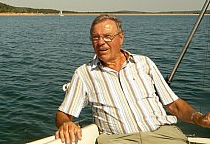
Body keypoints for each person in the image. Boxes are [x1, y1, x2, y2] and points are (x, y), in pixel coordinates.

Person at [55, 14, 210, 144]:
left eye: (108, 37)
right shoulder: (84, 73)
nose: (101, 42)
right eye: (95, 37)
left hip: (163, 135)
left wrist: (198, 118)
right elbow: (63, 113)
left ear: (121, 38)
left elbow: (174, 105)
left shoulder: (144, 63)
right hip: (118, 140)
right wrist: (66, 124)